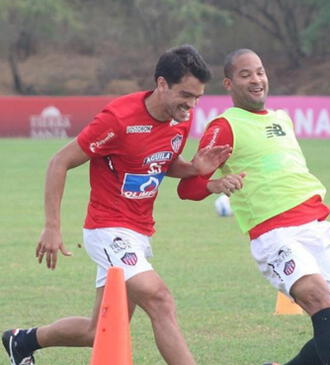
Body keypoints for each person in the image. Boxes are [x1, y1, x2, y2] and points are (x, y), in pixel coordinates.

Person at [2, 45, 231, 365]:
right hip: (107, 230)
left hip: (139, 233)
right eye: (185, 95)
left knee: (99, 331)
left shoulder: (180, 120)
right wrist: (52, 226)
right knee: (160, 300)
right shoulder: (118, 119)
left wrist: (194, 169)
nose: (191, 105)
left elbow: (161, 163)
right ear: (162, 84)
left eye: (197, 98)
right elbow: (59, 161)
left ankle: (21, 341)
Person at [177, 48, 330, 365]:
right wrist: (215, 184)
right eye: (245, 74)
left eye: (259, 72)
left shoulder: (282, 119)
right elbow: (187, 186)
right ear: (229, 84)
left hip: (314, 226)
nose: (256, 79)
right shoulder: (225, 126)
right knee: (318, 298)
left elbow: (292, 180)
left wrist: (328, 230)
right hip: (274, 234)